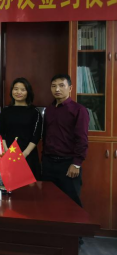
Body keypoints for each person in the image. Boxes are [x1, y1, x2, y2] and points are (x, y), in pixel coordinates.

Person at [42, 73, 89, 207]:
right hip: (49, 164)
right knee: (48, 203)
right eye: (53, 86)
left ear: (70, 88)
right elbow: (46, 136)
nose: (57, 89)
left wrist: (76, 163)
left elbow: (82, 139)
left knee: (71, 205)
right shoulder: (49, 110)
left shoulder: (79, 110)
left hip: (68, 164)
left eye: (61, 85)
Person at [0, 77, 43, 179]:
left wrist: (24, 155)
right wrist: (7, 152)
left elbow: (36, 136)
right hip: (9, 155)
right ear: (12, 91)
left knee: (29, 186)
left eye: (23, 90)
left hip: (28, 155)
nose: (18, 92)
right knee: (9, 184)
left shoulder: (34, 112)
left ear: (28, 92)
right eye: (16, 89)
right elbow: (1, 132)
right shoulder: (6, 111)